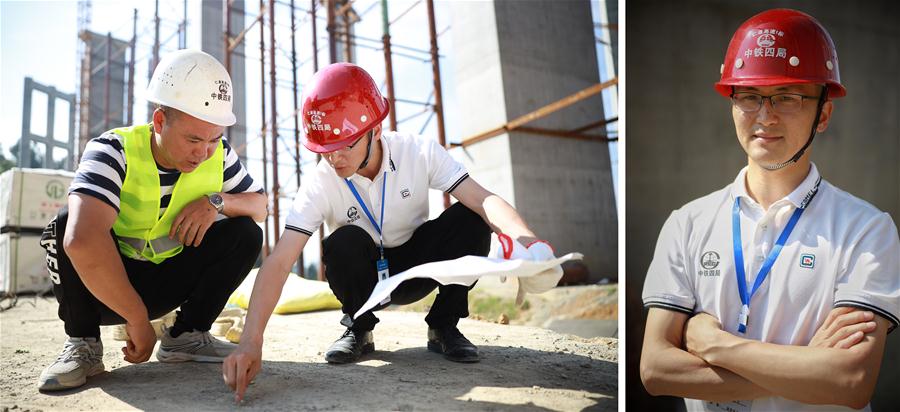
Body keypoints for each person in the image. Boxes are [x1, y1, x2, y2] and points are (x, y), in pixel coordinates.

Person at [222, 62, 563, 402]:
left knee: (470, 218)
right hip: (366, 278)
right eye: (326, 150)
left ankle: (444, 325)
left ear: (376, 129)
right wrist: (251, 342)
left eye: (346, 145)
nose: (336, 159)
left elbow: (482, 198)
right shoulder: (320, 183)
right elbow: (280, 261)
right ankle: (359, 328)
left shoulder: (418, 152)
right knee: (341, 242)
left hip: (418, 267)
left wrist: (527, 241)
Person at [639, 8, 899, 411]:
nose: (765, 115)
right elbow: (656, 370)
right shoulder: (687, 224)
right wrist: (807, 372)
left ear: (823, 114)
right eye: (749, 97)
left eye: (787, 97)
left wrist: (715, 344)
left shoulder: (865, 230)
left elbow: (850, 381)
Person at [37, 49, 267, 391]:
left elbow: (260, 205)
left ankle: (186, 336)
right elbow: (82, 240)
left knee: (245, 232)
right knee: (67, 223)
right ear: (160, 121)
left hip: (166, 283)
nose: (203, 153)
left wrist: (217, 202)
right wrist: (137, 320)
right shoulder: (112, 150)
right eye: (193, 139)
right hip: (104, 290)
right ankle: (83, 344)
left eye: (214, 139)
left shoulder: (217, 154)